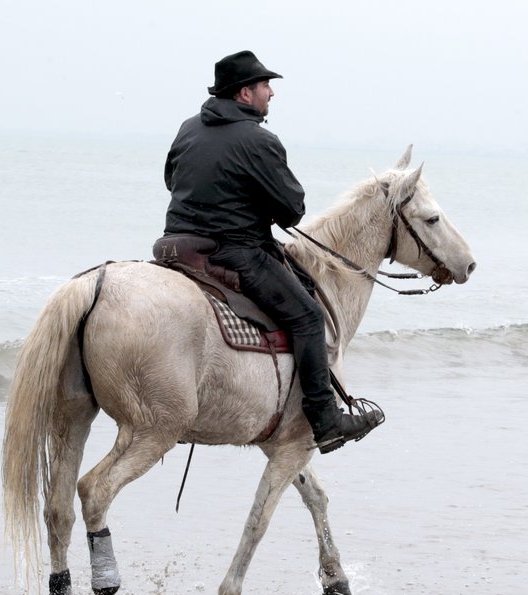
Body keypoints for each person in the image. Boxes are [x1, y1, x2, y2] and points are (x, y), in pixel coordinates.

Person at [161, 50, 382, 453]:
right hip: (234, 252)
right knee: (309, 316)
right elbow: (291, 209)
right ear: (245, 93)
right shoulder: (259, 140)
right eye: (266, 86)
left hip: (174, 247)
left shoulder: (188, 128)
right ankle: (326, 419)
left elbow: (172, 180)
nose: (271, 94)